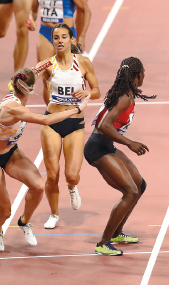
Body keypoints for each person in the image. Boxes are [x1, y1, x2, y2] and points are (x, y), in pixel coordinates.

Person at [0, 69, 89, 251]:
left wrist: (42, 65)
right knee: (5, 211)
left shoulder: (16, 87)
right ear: (30, 89)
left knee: (38, 186)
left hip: (10, 153)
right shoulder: (13, 108)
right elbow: (45, 120)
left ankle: (24, 221)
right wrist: (77, 110)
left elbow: (28, 74)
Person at [85, 57, 155, 256]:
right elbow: (104, 125)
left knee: (139, 186)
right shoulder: (125, 96)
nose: (144, 77)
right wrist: (130, 143)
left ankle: (117, 233)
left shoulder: (127, 94)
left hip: (106, 145)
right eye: (143, 74)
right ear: (136, 76)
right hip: (97, 148)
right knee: (131, 191)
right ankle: (103, 242)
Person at [36, 23, 100, 229]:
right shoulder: (47, 65)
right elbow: (42, 87)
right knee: (52, 173)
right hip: (52, 122)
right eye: (56, 37)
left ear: (72, 40)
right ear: (53, 41)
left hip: (75, 123)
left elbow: (97, 90)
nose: (60, 41)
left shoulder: (83, 63)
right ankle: (54, 213)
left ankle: (72, 187)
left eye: (64, 37)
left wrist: (87, 93)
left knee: (71, 174)